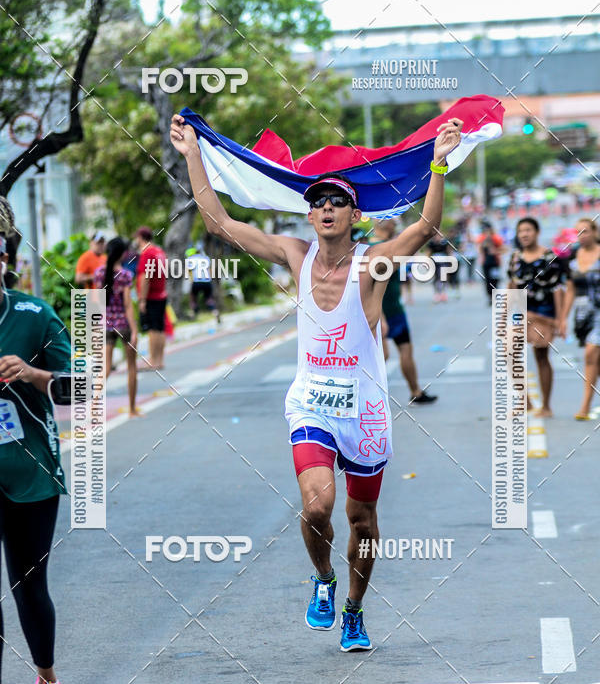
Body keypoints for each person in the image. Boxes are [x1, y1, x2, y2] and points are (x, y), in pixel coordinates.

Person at [170, 111, 462, 650]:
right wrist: (193, 153)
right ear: (309, 215)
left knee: (364, 521)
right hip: (312, 403)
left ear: (355, 212)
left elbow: (425, 228)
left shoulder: (372, 264)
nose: (325, 209)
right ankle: (324, 581)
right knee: (318, 507)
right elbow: (220, 224)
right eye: (317, 202)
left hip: (366, 412)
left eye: (336, 202)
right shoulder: (294, 255)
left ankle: (354, 607)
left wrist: (439, 159)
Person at [0, 196, 74, 684]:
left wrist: (30, 373)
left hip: (30, 474)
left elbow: (81, 389)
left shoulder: (31, 316)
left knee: (29, 586)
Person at [370, 219, 437, 405]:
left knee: (404, 349)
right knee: (381, 355)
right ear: (384, 223)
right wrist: (379, 315)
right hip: (380, 311)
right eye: (393, 222)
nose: (396, 225)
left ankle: (416, 391)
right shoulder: (379, 249)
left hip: (394, 309)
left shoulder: (374, 247)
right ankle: (369, 396)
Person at [507, 217, 563, 418]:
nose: (524, 234)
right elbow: (512, 285)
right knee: (509, 351)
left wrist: (560, 319)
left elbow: (558, 289)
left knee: (541, 356)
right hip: (521, 312)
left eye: (528, 230)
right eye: (521, 231)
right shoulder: (514, 257)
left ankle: (546, 406)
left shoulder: (549, 257)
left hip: (544, 312)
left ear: (536, 232)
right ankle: (526, 402)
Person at [94, 236, 140, 417]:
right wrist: (135, 329)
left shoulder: (99, 274)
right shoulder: (126, 275)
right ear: (122, 254)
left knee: (105, 369)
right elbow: (128, 305)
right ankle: (132, 409)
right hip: (123, 325)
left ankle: (93, 406)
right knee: (131, 367)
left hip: (106, 325)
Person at [559, 218, 600, 420]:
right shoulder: (573, 256)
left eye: (585, 231)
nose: (582, 236)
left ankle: (585, 406)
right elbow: (570, 290)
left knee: (591, 354)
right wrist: (563, 318)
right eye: (578, 232)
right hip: (583, 314)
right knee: (594, 358)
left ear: (594, 232)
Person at [135, 226, 168, 371]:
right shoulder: (159, 251)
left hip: (151, 296)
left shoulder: (147, 253)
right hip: (161, 294)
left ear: (141, 238)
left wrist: (142, 299)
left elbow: (145, 277)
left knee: (153, 329)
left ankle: (153, 361)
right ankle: (159, 360)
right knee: (160, 328)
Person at [477, 221, 503, 305]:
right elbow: (479, 249)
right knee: (487, 280)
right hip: (486, 263)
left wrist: (495, 251)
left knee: (495, 279)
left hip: (495, 263)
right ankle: (490, 297)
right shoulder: (482, 238)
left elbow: (503, 248)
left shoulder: (496, 238)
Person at [427, 233, 453, 303]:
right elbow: (429, 253)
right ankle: (437, 294)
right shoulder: (432, 243)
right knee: (436, 278)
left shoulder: (444, 243)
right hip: (435, 262)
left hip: (443, 262)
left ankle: (443, 293)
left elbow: (449, 251)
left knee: (444, 278)